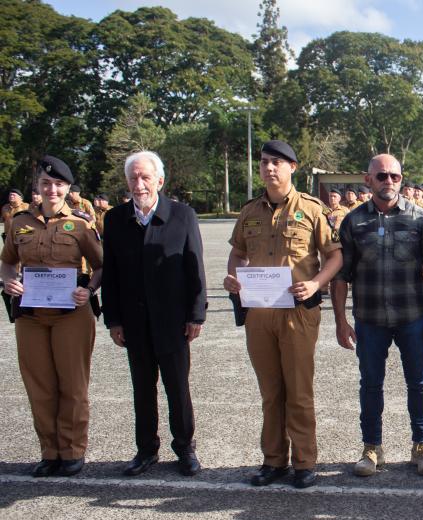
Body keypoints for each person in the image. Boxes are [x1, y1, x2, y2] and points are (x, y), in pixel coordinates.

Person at [223, 140, 342, 489]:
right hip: (259, 311)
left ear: (293, 167)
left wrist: (317, 283)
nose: (269, 168)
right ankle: (274, 460)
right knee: (271, 391)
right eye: (263, 163)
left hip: (297, 311)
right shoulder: (249, 212)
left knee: (299, 390)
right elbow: (237, 253)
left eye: (277, 162)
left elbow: (335, 256)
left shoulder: (313, 209)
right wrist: (233, 277)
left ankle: (305, 461)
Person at [331, 154, 423, 478]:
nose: (389, 182)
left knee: (418, 383)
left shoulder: (420, 219)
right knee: (370, 384)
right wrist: (340, 321)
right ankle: (372, 448)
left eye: (395, 176)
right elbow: (341, 275)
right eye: (381, 176)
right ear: (368, 180)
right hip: (369, 320)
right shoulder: (353, 221)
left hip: (413, 317)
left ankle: (422, 446)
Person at [101, 151, 207, 477]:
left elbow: (195, 268)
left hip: (173, 321)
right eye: (133, 177)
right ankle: (146, 450)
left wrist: (196, 315)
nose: (139, 184)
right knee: (142, 389)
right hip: (134, 322)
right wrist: (114, 319)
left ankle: (185, 449)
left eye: (145, 177)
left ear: (160, 180)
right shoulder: (116, 219)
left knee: (177, 387)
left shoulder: (181, 215)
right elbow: (111, 275)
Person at [0, 155, 103, 477]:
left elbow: (101, 265)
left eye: (58, 184)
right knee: (39, 385)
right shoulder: (18, 223)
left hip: (70, 313)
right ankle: (50, 451)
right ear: (38, 187)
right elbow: (7, 261)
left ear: (67, 188)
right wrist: (7, 280)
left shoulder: (82, 223)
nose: (52, 190)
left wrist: (90, 290)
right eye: (46, 184)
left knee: (72, 384)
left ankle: (72, 450)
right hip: (31, 314)